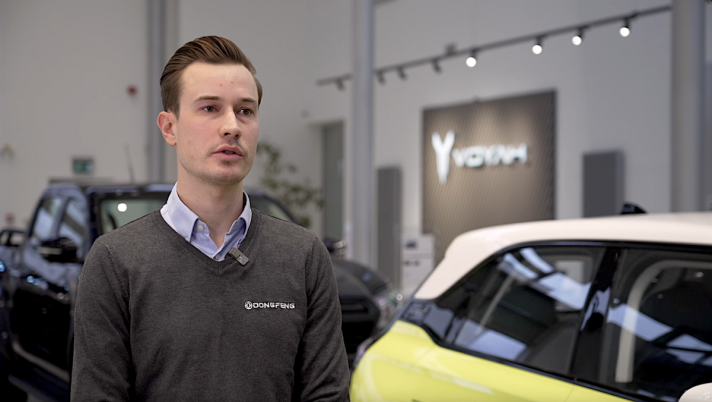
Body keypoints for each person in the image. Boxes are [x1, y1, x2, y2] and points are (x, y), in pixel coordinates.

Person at [71, 36, 350, 401]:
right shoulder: (115, 261)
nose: (232, 126)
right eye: (209, 108)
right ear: (169, 128)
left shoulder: (303, 256)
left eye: (245, 111)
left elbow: (327, 395)